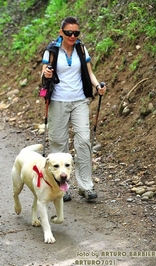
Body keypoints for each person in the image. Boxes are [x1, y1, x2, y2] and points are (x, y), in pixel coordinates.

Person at [41, 16, 106, 202]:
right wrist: (46, 73)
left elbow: (90, 72)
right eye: (69, 32)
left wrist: (97, 86)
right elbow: (43, 73)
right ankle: (60, 186)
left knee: (84, 140)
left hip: (79, 100)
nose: (72, 36)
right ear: (61, 32)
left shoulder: (81, 48)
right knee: (58, 143)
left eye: (76, 33)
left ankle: (86, 185)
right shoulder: (52, 50)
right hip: (58, 101)